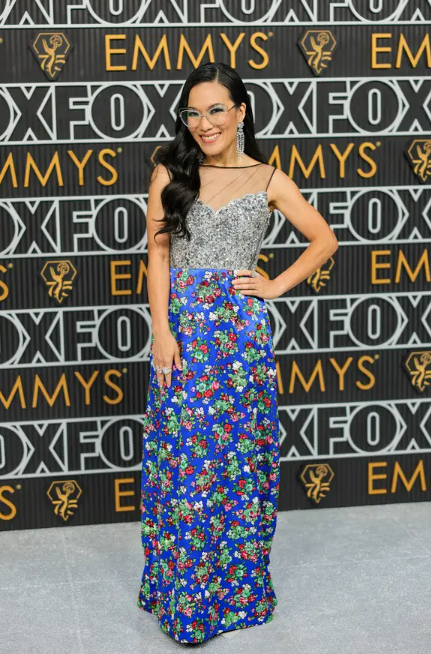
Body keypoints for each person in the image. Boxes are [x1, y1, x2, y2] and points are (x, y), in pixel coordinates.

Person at [137, 61, 338, 645]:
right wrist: (161, 330)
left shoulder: (269, 178)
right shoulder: (170, 171)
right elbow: (158, 256)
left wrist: (275, 286)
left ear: (241, 112)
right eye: (193, 113)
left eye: (216, 110)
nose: (204, 123)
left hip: (241, 342)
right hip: (184, 336)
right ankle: (185, 599)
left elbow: (324, 239)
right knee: (185, 466)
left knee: (239, 464)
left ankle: (235, 594)